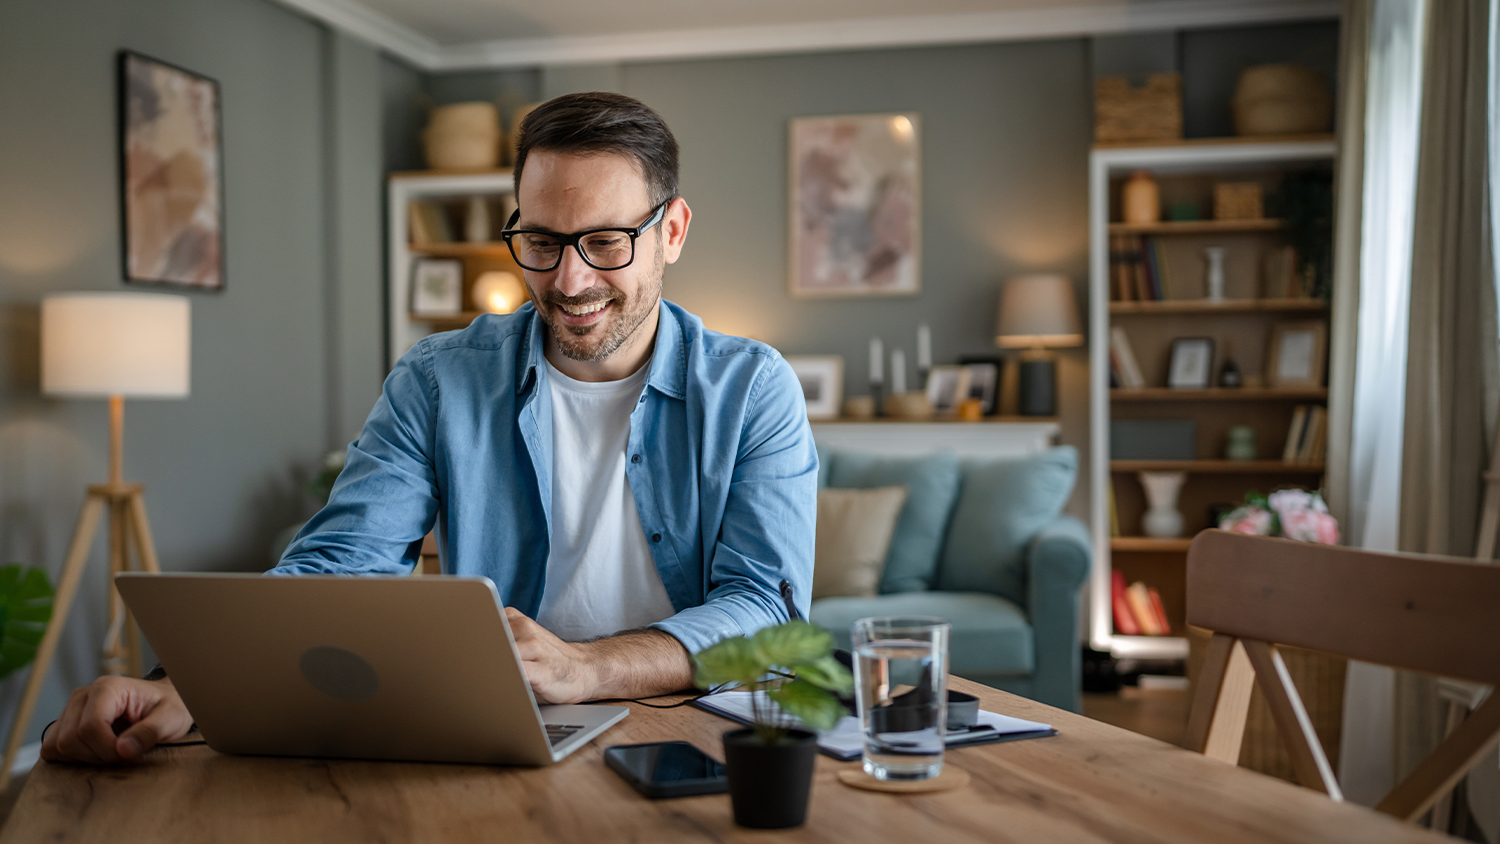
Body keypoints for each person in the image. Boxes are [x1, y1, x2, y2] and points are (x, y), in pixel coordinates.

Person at [41, 92, 817, 766]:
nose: (569, 280)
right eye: (541, 242)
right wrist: (184, 686)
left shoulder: (752, 388)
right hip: (503, 735)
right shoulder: (440, 379)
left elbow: (765, 606)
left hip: (698, 736)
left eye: (606, 243)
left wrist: (587, 668)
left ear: (672, 231)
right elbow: (344, 563)